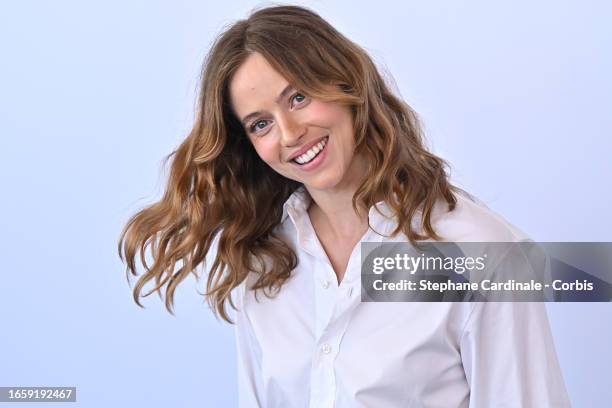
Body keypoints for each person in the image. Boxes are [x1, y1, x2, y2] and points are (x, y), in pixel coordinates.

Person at [118, 5, 571, 407]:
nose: (290, 133)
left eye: (298, 97)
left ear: (346, 85)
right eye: (261, 124)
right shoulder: (264, 264)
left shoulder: (487, 253)